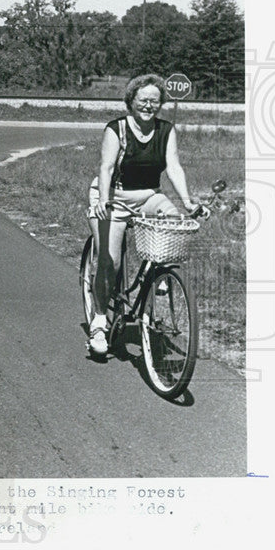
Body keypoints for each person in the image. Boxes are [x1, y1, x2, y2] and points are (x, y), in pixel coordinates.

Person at [86, 73, 198, 355]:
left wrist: (187, 202)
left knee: (173, 219)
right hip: (113, 195)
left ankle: (159, 276)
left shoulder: (166, 130)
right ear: (131, 101)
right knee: (108, 262)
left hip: (148, 195)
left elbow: (173, 167)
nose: (149, 105)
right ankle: (99, 321)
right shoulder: (117, 129)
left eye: (155, 100)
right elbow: (106, 167)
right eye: (143, 100)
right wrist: (103, 199)